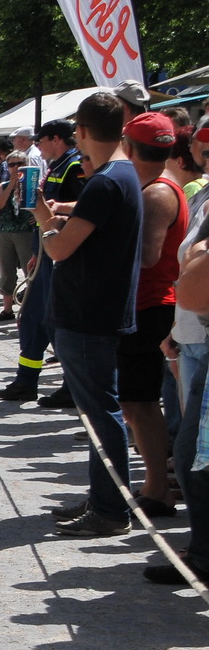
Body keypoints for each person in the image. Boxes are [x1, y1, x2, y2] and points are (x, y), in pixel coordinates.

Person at [36, 92, 143, 538]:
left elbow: (60, 247)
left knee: (101, 413)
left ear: (81, 132)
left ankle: (110, 508)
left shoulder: (105, 181)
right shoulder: (123, 174)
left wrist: (43, 220)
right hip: (98, 308)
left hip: (89, 311)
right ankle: (105, 498)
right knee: (99, 411)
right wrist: (58, 212)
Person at [117, 114, 188, 517]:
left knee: (139, 403)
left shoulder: (156, 194)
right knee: (137, 402)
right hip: (150, 305)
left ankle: (157, 488)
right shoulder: (154, 188)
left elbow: (146, 257)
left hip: (150, 306)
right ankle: (154, 484)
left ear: (129, 146)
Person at [152, 127, 209, 586]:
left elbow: (189, 277)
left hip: (201, 338)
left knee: (195, 454)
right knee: (191, 451)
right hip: (192, 334)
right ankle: (202, 549)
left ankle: (204, 553)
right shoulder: (205, 195)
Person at [0, 120, 87, 403]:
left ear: (56, 139)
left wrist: (57, 208)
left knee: (56, 322)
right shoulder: (57, 166)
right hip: (46, 250)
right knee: (32, 318)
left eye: (41, 140)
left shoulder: (76, 166)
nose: (37, 146)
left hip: (64, 254)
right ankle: (26, 380)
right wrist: (37, 249)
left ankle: (72, 387)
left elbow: (86, 205)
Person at [0, 149, 38, 324]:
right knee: (6, 271)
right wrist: (11, 184)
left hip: (25, 231)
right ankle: (7, 309)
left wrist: (37, 216)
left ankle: (30, 308)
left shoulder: (33, 184)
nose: (16, 167)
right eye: (12, 164)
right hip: (5, 231)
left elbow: (42, 203)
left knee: (29, 271)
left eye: (20, 164)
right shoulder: (3, 186)